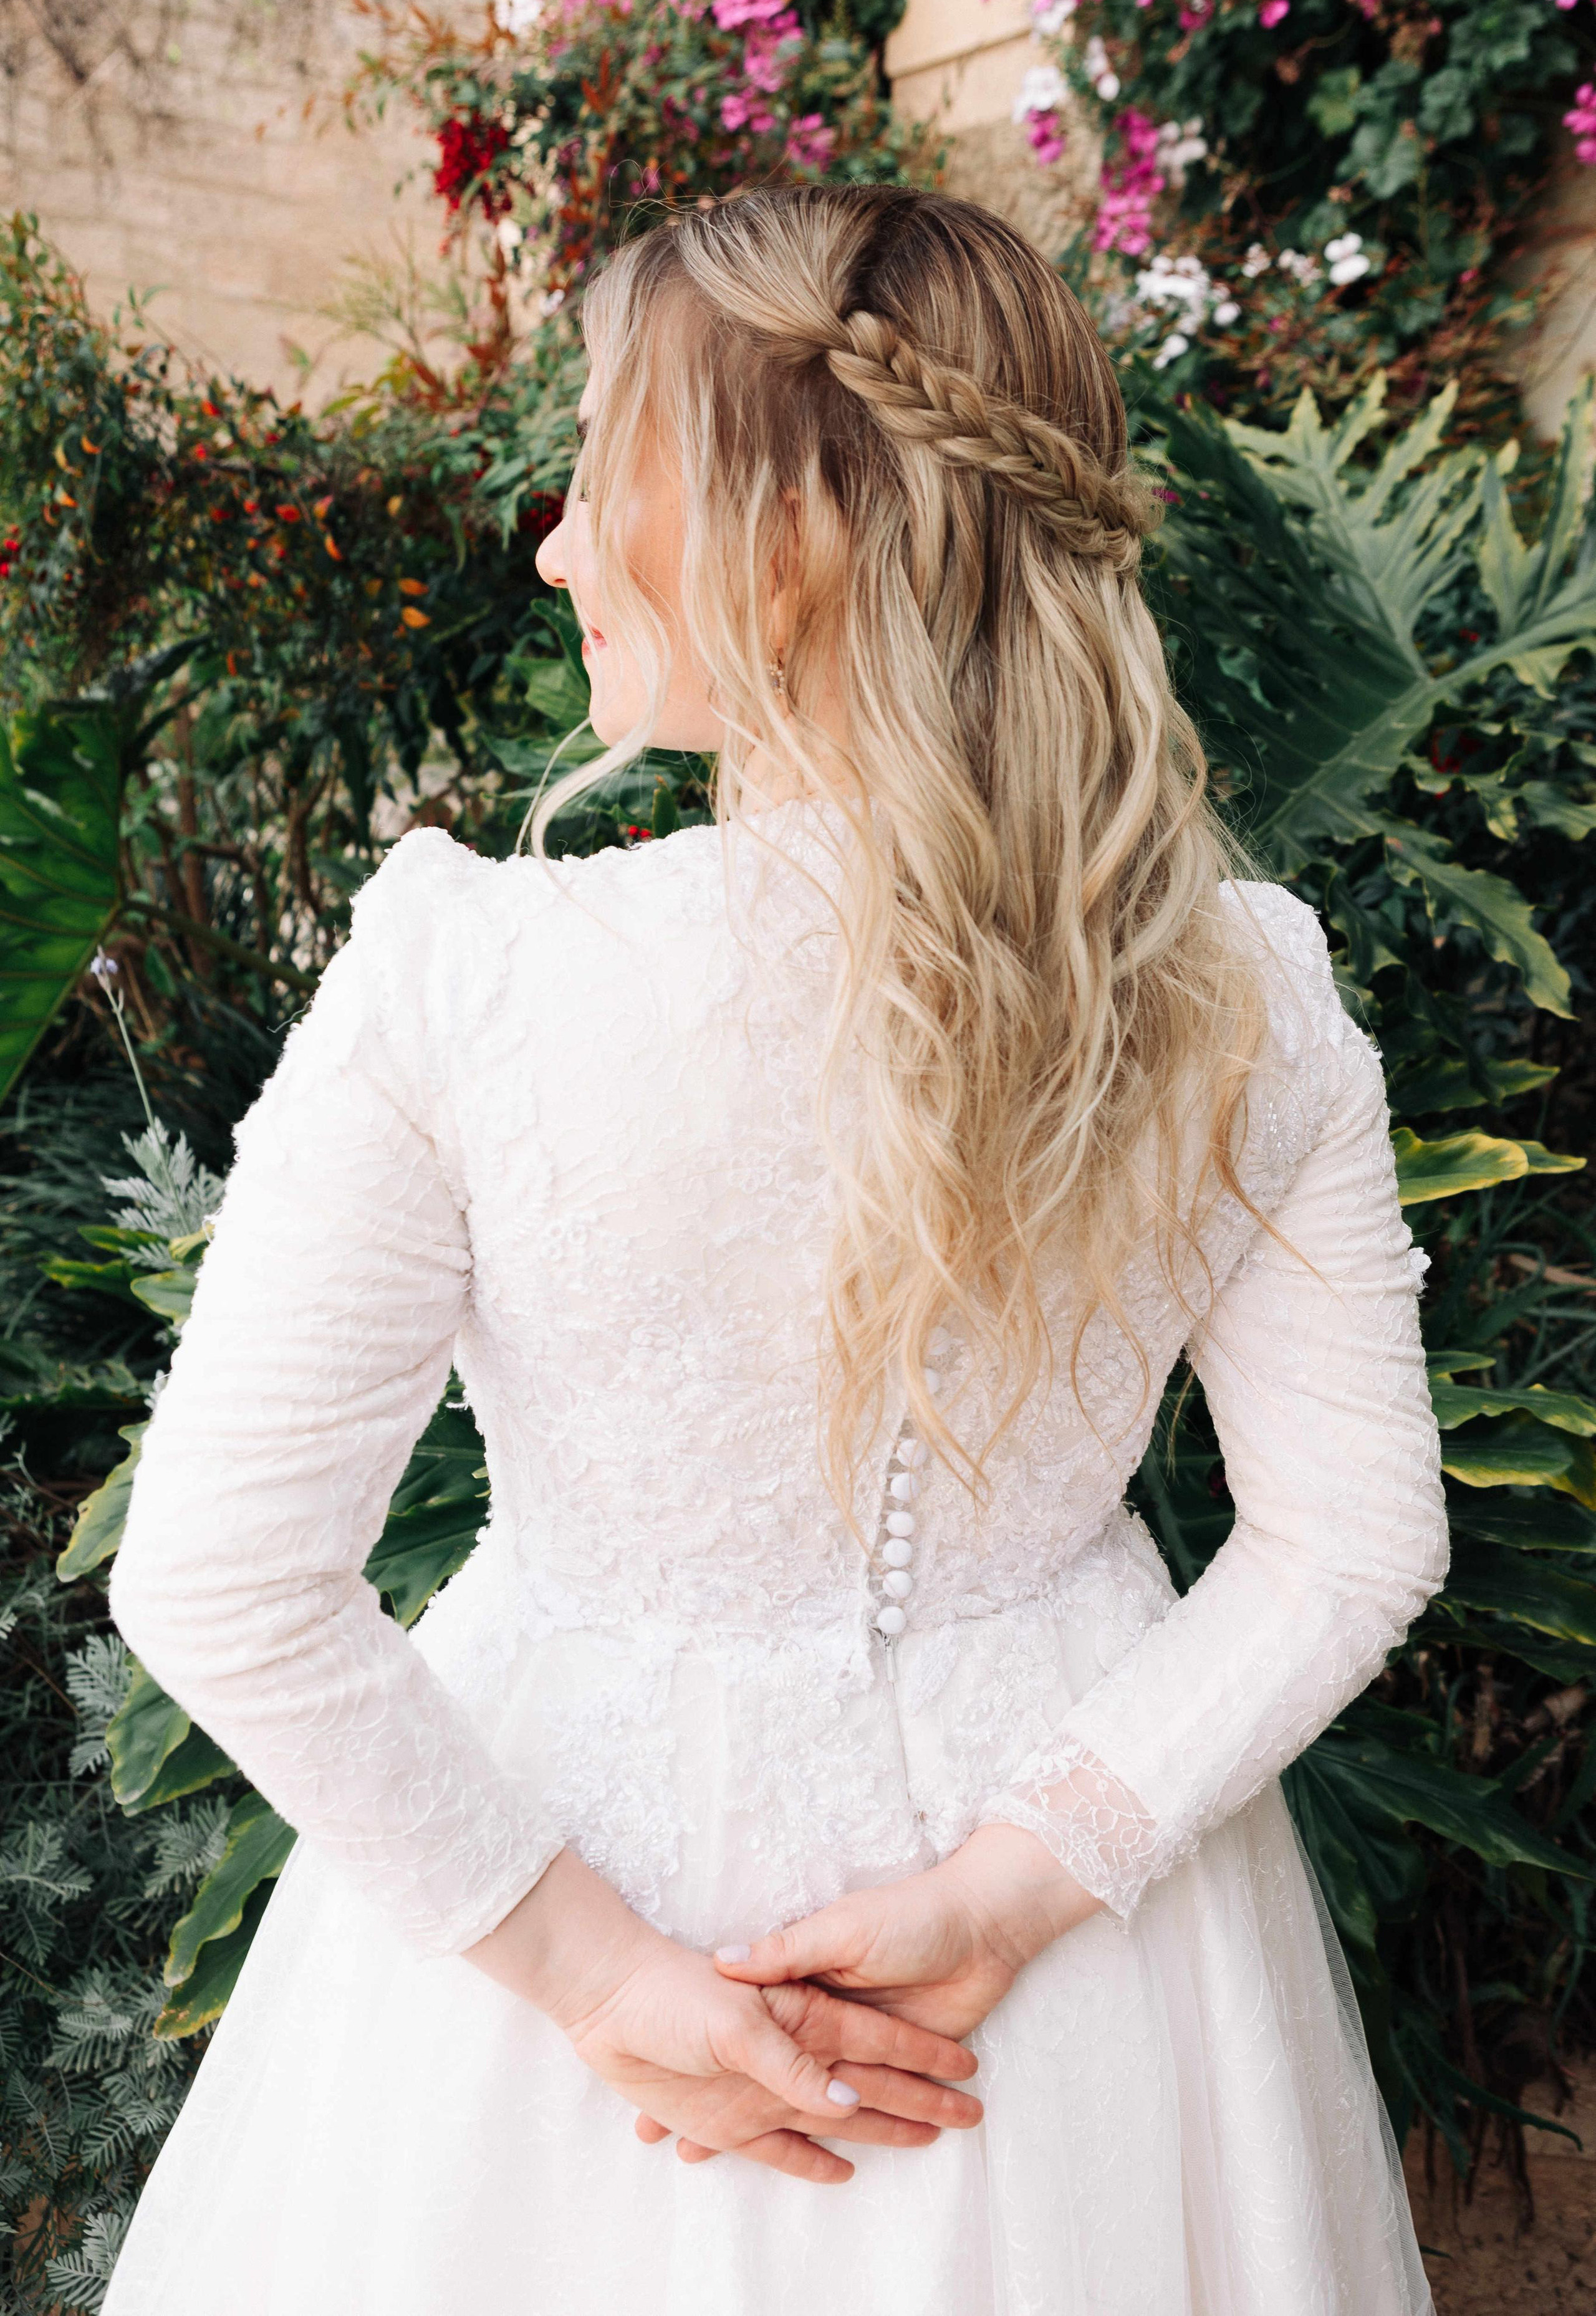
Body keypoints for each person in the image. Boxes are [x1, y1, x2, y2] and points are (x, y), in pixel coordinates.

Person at [103, 185, 1446, 2315]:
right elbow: (1350, 1547)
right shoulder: (1247, 992)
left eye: (597, 472)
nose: (554, 547)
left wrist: (597, 1979)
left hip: (565, 1968)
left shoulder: (471, 981)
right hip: (1074, 1987)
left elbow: (216, 1574)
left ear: (793, 534)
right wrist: (1021, 1886)